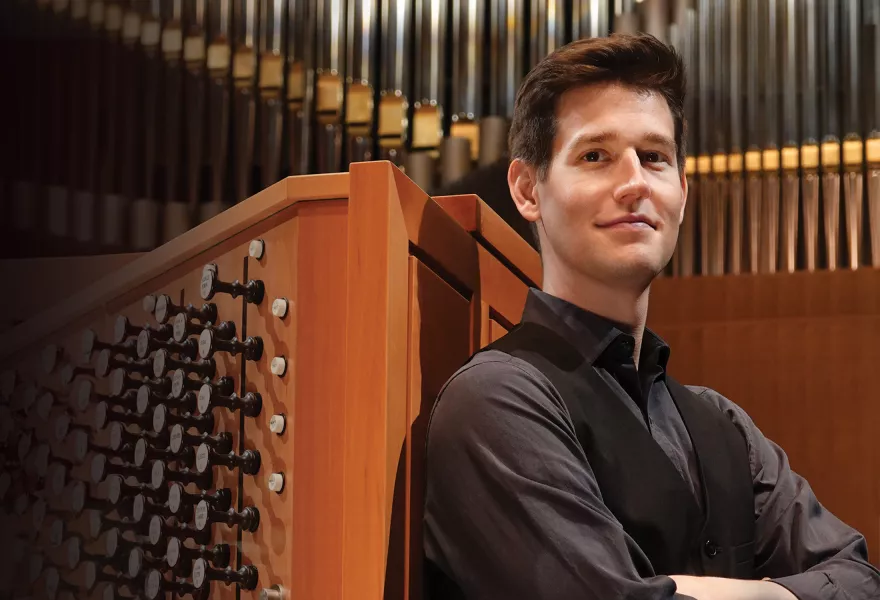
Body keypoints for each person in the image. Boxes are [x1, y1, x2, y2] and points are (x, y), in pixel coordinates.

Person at [422, 34, 880, 600]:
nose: (635, 182)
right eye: (596, 156)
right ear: (527, 189)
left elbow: (860, 579)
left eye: (655, 157)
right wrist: (777, 590)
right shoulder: (497, 400)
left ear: (681, 192)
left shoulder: (724, 426)